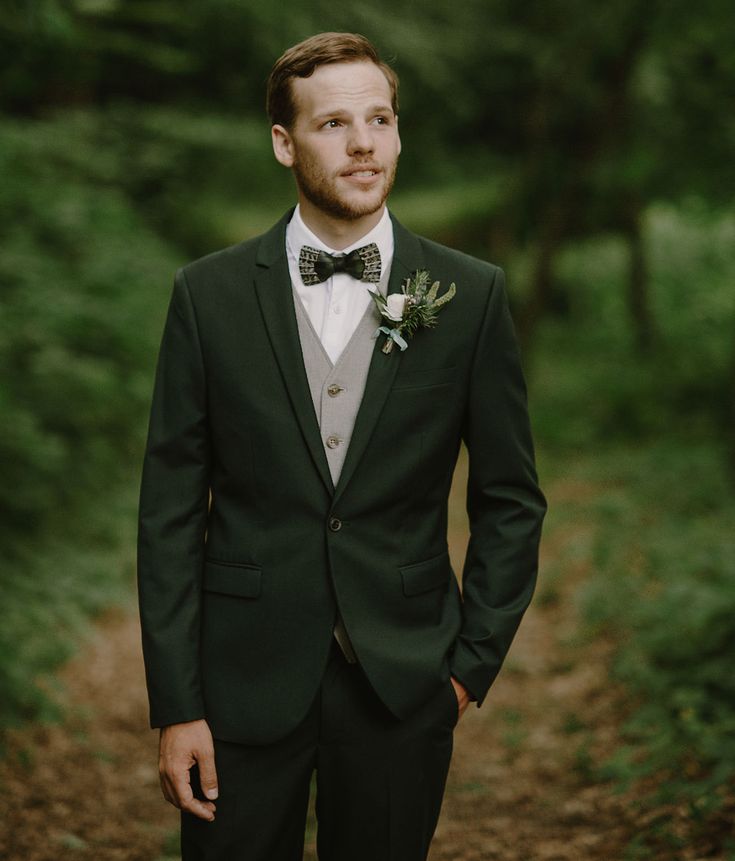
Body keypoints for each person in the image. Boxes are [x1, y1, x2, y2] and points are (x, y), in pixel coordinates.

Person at [137, 31, 546, 861]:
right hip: (239, 680)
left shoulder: (467, 295)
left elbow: (509, 499)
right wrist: (177, 702)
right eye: (333, 124)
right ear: (284, 143)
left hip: (403, 678)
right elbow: (169, 512)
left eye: (380, 118)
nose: (364, 143)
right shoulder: (207, 296)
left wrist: (468, 664)